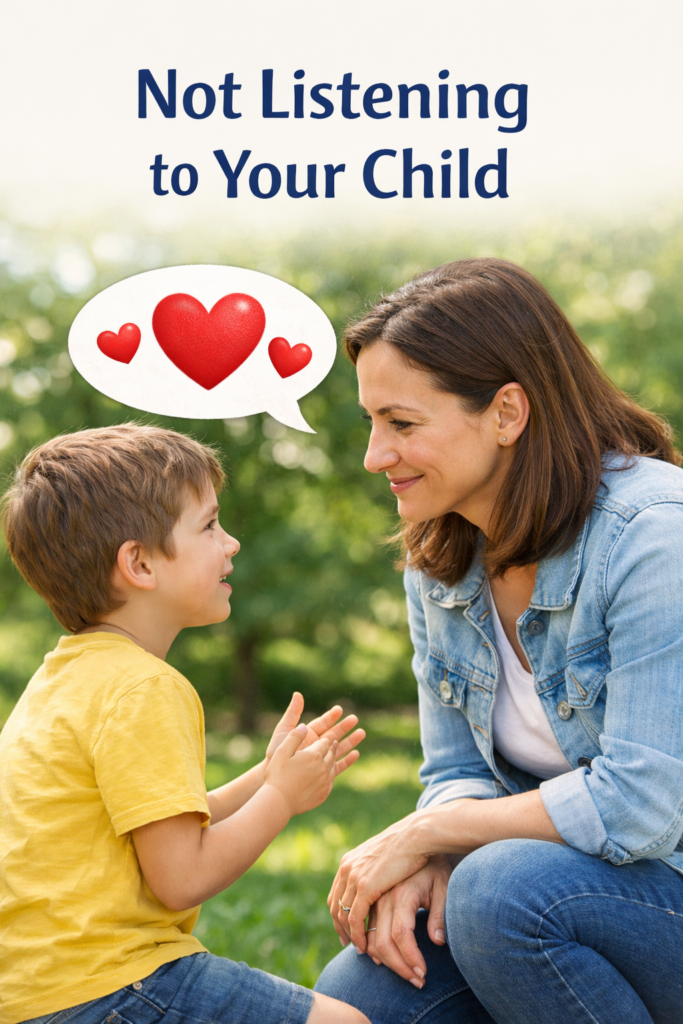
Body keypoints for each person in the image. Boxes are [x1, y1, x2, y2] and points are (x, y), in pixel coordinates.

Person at [315, 258, 683, 1024]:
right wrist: (439, 846)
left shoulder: (653, 536)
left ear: (507, 413)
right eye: (371, 422)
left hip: (658, 887)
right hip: (548, 892)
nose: (373, 456)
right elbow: (454, 767)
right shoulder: (441, 557)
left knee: (501, 893)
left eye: (402, 424)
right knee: (362, 995)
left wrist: (435, 832)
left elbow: (645, 805)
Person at [0, 424, 370, 1024]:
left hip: (37, 994)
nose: (231, 544)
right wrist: (281, 798)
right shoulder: (146, 688)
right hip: (112, 984)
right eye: (209, 526)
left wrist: (264, 776)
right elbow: (181, 876)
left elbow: (165, 820)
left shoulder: (61, 681)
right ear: (139, 563)